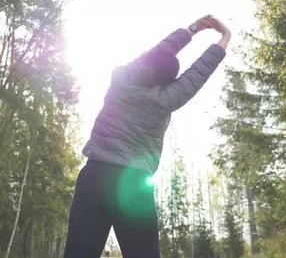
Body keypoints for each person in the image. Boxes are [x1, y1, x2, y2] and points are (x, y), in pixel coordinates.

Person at [64, 14, 231, 258]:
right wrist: (224, 38)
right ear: (167, 81)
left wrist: (192, 29)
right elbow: (198, 73)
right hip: (132, 185)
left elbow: (160, 50)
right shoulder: (166, 98)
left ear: (144, 64)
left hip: (94, 176)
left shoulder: (120, 78)